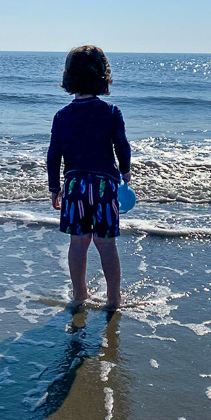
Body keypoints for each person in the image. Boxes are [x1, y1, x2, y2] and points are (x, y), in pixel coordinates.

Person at [47, 45, 131, 310]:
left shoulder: (62, 116)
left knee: (78, 242)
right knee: (106, 244)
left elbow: (53, 155)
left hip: (74, 186)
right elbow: (122, 146)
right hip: (105, 185)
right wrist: (126, 172)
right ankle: (114, 299)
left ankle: (79, 294)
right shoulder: (111, 112)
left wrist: (54, 188)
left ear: (68, 78)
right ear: (103, 77)